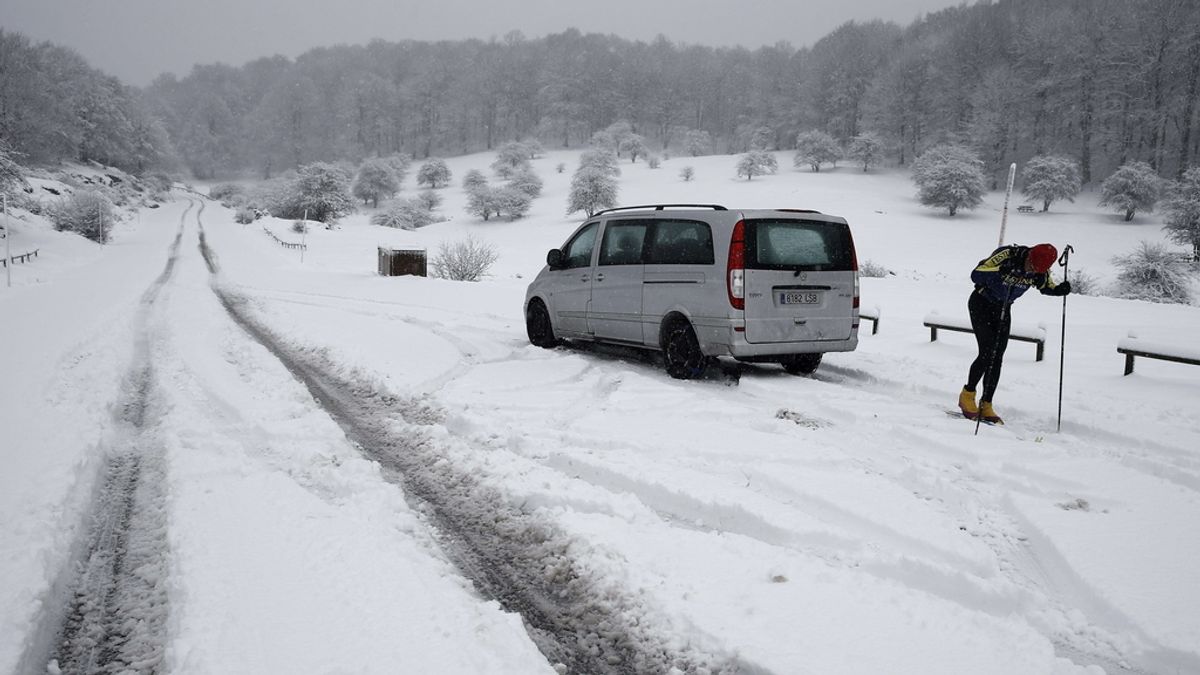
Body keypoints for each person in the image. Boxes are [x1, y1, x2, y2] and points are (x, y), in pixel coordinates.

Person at [958, 243, 1071, 424]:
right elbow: (976, 274)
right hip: (981, 303)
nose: (1031, 270)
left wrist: (1059, 291)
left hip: (1003, 308)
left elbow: (1045, 287)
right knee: (987, 353)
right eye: (1031, 265)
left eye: (1036, 269)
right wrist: (998, 272)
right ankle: (967, 395)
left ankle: (986, 403)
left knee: (997, 357)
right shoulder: (1007, 255)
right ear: (1029, 256)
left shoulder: (1040, 271)